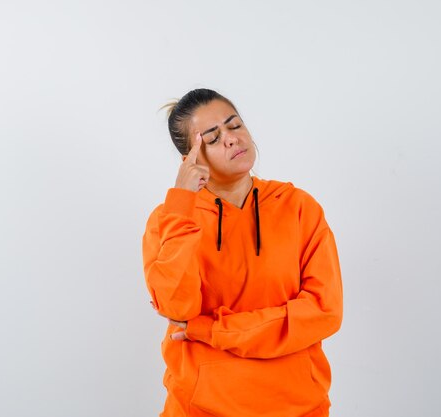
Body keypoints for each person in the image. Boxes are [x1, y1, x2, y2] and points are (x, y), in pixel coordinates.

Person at [142, 88, 343, 417]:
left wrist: (209, 329)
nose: (231, 139)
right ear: (190, 160)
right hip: (199, 409)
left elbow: (323, 312)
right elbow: (176, 305)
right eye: (212, 136)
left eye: (234, 125)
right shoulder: (169, 219)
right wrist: (182, 205)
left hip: (297, 407)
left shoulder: (298, 208)